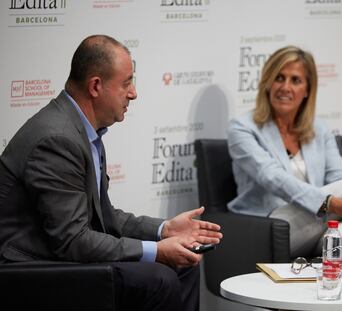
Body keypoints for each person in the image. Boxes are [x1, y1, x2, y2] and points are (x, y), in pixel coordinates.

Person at [0, 35, 222, 311]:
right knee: (160, 276)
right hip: (33, 270)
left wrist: (163, 230)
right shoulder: (57, 139)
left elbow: (104, 216)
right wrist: (156, 252)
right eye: (126, 83)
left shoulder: (83, 131)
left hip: (62, 257)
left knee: (185, 264)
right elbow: (73, 240)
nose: (134, 93)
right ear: (96, 86)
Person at [227, 45, 342, 272]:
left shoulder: (319, 129)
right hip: (266, 228)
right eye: (279, 78)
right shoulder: (242, 128)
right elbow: (272, 177)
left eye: (295, 80)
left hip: (316, 226)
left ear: (308, 89)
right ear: (267, 82)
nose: (285, 87)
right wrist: (331, 203)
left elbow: (339, 176)